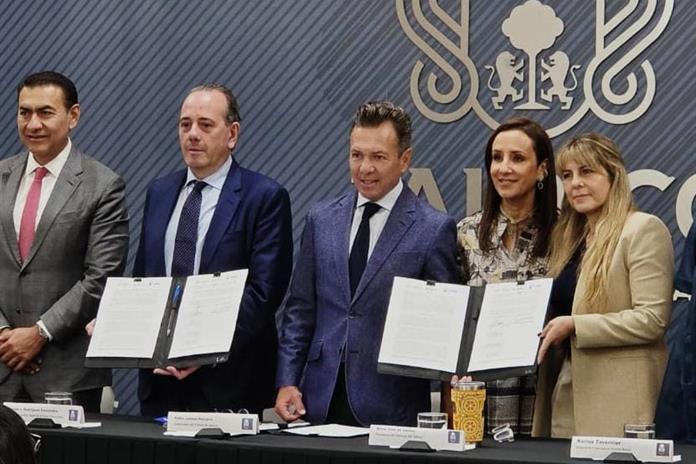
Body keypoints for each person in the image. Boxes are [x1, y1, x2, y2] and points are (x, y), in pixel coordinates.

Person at [274, 101, 459, 426]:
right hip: (318, 401)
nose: (365, 168)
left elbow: (445, 325)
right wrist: (287, 381)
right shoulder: (321, 219)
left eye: (378, 157)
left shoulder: (433, 228)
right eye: (357, 155)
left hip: (392, 407)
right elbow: (300, 310)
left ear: (405, 160)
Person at [133, 83, 293, 416]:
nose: (192, 134)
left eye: (205, 125)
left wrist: (200, 349)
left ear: (232, 134)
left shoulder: (264, 197)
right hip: (160, 382)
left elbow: (263, 295)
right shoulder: (159, 192)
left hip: (229, 384)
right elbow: (145, 280)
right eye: (185, 124)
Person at [0, 71, 129, 412]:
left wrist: (39, 333)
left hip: (65, 376)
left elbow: (101, 277)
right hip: (2, 363)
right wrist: (5, 336)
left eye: (45, 112)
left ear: (73, 116)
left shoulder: (103, 185)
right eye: (24, 112)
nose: (33, 124)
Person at [533, 133, 673, 438]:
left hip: (619, 399)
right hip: (565, 389)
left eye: (587, 172)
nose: (575, 183)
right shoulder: (568, 240)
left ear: (613, 175)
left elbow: (652, 320)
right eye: (567, 175)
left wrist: (576, 325)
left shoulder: (643, 229)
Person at [454, 117, 557, 436]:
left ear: (542, 169)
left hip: (544, 388)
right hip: (477, 392)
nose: (504, 168)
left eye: (518, 158)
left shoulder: (566, 233)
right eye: (496, 158)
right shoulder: (467, 233)